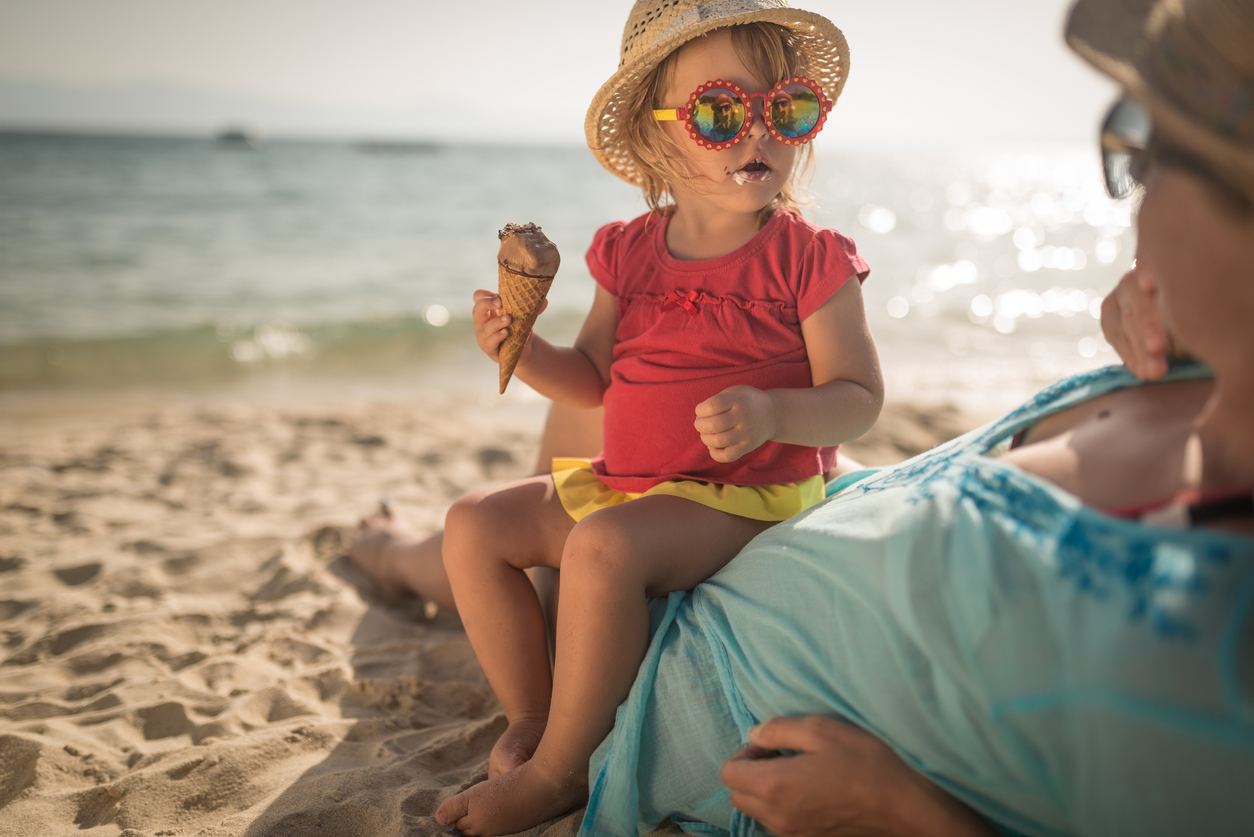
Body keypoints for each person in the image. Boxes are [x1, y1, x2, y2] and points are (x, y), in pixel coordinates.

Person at [577, 0, 1254, 835]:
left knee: (542, 543)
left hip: (663, 653)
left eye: (1146, 145)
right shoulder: (1194, 372)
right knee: (543, 493)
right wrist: (1205, 320)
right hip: (795, 510)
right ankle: (400, 551)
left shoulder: (1214, 638)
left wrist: (905, 812)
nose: (1134, 193)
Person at [428, 2, 884, 833]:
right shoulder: (628, 249)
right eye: (720, 111)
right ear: (656, 133)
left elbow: (859, 397)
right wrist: (523, 349)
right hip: (630, 483)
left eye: (787, 108)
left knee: (603, 548)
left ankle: (560, 774)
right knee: (472, 523)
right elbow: (594, 379)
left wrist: (778, 410)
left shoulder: (810, 257)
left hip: (741, 498)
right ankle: (534, 714)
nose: (760, 133)